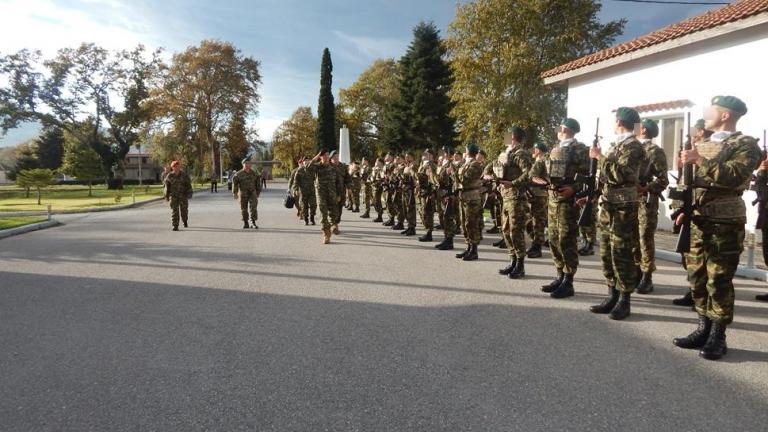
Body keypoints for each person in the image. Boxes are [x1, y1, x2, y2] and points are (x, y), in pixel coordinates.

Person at [672, 96, 760, 360]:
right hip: (697, 221)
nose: (706, 113)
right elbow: (686, 182)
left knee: (719, 279)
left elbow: (735, 176)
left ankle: (718, 335)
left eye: (711, 110)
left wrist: (699, 160)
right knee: (696, 277)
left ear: (725, 115)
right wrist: (681, 208)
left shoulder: (746, 145)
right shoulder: (702, 145)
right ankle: (703, 327)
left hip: (725, 223)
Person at [585, 107, 645, 321]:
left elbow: (620, 174)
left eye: (614, 120)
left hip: (623, 207)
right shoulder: (616, 145)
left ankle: (624, 299)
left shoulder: (634, 146)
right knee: (606, 252)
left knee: (622, 253)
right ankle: (612, 294)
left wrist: (599, 157)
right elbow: (605, 175)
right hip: (609, 205)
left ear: (619, 122)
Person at [532, 118, 590, 298]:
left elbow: (587, 177)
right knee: (553, 240)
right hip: (552, 200)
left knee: (566, 240)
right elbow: (536, 171)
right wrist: (539, 180)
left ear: (566, 129)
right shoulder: (554, 149)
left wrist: (573, 189)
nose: (557, 131)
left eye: (560, 128)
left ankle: (568, 281)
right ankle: (559, 275)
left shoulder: (580, 149)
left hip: (568, 202)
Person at [672, 118, 713, 307]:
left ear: (701, 131)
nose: (693, 132)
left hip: (696, 209)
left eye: (695, 129)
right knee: (687, 255)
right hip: (685, 207)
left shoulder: (708, 150)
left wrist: (689, 209)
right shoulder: (693, 149)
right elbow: (685, 181)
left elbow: (702, 184)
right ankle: (693, 289)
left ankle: (700, 295)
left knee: (697, 257)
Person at [487, 126, 532, 279]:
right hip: (506, 197)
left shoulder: (520, 154)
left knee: (515, 231)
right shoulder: (506, 153)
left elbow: (529, 173)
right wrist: (492, 177)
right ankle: (512, 260)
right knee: (506, 231)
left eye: (508, 134)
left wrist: (513, 183)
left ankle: (520, 264)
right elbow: (494, 169)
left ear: (513, 137)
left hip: (516, 197)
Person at [634, 119, 668, 294]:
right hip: (629, 200)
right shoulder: (631, 147)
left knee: (644, 238)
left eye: (638, 125)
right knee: (632, 238)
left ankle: (647, 277)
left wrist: (646, 188)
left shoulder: (655, 151)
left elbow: (663, 180)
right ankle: (636, 273)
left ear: (644, 130)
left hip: (645, 201)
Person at [455, 143, 485, 261]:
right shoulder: (466, 163)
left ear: (469, 151)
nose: (465, 151)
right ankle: (468, 247)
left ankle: (474, 250)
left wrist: (454, 172)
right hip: (464, 196)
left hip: (472, 197)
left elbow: (464, 179)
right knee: (464, 223)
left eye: (466, 149)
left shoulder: (475, 165)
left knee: (472, 224)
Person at [306, 149, 343, 244]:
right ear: (321, 157)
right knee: (323, 214)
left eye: (327, 155)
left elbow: (339, 182)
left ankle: (334, 224)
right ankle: (326, 234)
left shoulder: (333, 167)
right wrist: (316, 156)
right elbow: (307, 168)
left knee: (334, 213)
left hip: (332, 194)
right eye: (324, 155)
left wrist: (339, 194)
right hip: (321, 194)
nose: (326, 157)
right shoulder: (317, 166)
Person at [526, 142, 549, 258]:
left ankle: (537, 247)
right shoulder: (539, 161)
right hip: (536, 195)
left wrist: (541, 182)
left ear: (539, 150)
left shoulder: (542, 161)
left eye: (535, 149)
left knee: (538, 222)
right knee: (532, 222)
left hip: (540, 195)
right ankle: (537, 242)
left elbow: (533, 177)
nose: (533, 151)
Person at [232, 158, 262, 229]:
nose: (247, 165)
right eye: (246, 164)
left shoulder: (254, 173)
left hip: (252, 193)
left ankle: (253, 222)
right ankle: (246, 222)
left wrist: (258, 192)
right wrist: (235, 193)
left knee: (253, 207)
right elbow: (235, 184)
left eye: (249, 163)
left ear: (251, 165)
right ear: (243, 164)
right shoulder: (238, 174)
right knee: (244, 208)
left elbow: (258, 183)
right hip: (243, 193)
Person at [163, 160, 193, 231]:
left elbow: (188, 185)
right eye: (174, 167)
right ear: (172, 167)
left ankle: (185, 221)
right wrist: (166, 196)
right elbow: (166, 187)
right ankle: (175, 225)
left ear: (179, 167)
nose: (176, 168)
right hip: (174, 197)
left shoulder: (184, 175)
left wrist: (189, 193)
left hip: (183, 196)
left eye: (177, 166)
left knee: (184, 211)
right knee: (174, 211)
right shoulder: (169, 176)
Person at [417, 150, 437, 241]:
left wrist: (433, 192)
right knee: (424, 212)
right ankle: (428, 231)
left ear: (431, 156)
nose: (425, 156)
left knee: (428, 212)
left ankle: (429, 233)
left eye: (428, 154)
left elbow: (434, 180)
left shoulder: (432, 165)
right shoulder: (423, 165)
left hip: (429, 192)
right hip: (423, 191)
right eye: (425, 154)